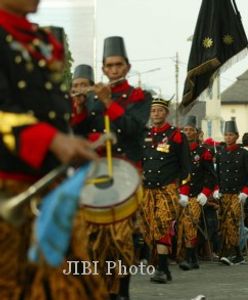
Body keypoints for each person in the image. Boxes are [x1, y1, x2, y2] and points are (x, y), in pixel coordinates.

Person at [0, 1, 107, 298]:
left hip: (50, 185)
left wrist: (70, 140)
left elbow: (48, 109)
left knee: (74, 285)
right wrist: (52, 141)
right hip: (8, 184)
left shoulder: (41, 40)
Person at [71, 36, 152, 298]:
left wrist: (108, 102)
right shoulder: (93, 98)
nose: (114, 70)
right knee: (95, 237)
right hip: (96, 173)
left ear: (127, 67)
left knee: (120, 237)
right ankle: (103, 289)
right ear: (103, 69)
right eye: (109, 66)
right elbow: (80, 132)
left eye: (119, 65)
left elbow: (132, 128)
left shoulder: (141, 97)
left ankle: (123, 290)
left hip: (125, 174)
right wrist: (80, 108)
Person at [140, 98, 190, 283]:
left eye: (159, 110)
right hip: (147, 191)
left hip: (167, 189)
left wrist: (184, 191)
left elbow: (186, 166)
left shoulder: (176, 135)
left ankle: (161, 269)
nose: (156, 114)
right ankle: (163, 267)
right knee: (149, 229)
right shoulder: (145, 135)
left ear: (166, 113)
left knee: (162, 224)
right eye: (153, 111)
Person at [214, 120, 248, 266]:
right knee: (226, 224)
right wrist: (217, 189)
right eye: (226, 135)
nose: (228, 137)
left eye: (230, 135)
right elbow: (218, 173)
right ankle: (237, 254)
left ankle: (231, 253)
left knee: (232, 220)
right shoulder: (221, 154)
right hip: (224, 194)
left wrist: (246, 192)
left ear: (237, 136)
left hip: (238, 194)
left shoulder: (244, 154)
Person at [177, 115, 216, 271]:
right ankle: (190, 257)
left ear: (196, 132)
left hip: (195, 194)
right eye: (185, 130)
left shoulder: (203, 152)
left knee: (190, 224)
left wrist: (205, 193)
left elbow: (212, 176)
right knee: (181, 226)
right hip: (180, 194)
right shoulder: (178, 151)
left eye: (190, 130)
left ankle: (190, 258)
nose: (187, 132)